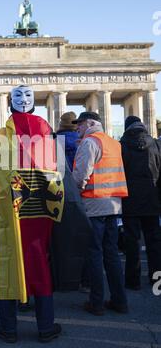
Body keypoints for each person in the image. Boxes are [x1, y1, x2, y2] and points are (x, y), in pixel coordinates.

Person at [0, 85, 63, 343]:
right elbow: (61, 176)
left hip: (7, 210)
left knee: (7, 263)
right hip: (41, 211)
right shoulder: (50, 139)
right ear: (34, 107)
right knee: (39, 262)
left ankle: (9, 328)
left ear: (10, 107)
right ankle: (45, 326)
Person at [72, 112, 128, 316]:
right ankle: (120, 301)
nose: (77, 128)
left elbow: (80, 176)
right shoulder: (114, 143)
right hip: (113, 204)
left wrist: (74, 193)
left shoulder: (90, 143)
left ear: (89, 123)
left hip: (94, 204)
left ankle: (96, 303)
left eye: (79, 124)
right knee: (111, 254)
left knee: (94, 254)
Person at [120, 115, 161, 290]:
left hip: (130, 200)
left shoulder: (122, 146)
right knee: (154, 242)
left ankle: (132, 281)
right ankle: (156, 279)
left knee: (132, 242)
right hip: (152, 199)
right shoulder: (155, 145)